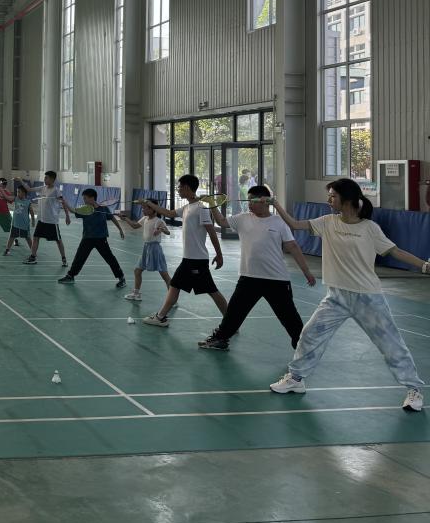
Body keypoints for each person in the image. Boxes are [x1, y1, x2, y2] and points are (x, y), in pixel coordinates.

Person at [268, 178, 430, 412]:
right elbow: (294, 224)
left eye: (333, 195)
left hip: (367, 297)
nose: (329, 199)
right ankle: (296, 378)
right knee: (310, 334)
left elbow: (395, 251)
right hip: (336, 297)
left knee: (391, 344)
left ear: (348, 199)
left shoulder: (369, 228)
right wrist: (275, 203)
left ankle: (414, 390)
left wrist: (424, 265)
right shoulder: (327, 222)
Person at [198, 185, 315, 350]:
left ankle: (303, 346)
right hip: (249, 277)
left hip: (276, 279)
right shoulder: (242, 218)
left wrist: (307, 272)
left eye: (252, 201)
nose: (249, 204)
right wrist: (213, 205)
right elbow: (222, 222)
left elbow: (293, 247)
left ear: (264, 201)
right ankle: (220, 339)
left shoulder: (279, 222)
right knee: (234, 312)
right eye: (248, 201)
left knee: (289, 317)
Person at [141, 174, 228, 327]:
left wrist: (219, 254)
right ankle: (161, 317)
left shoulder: (201, 208)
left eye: (180, 187)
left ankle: (231, 322)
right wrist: (149, 203)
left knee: (212, 291)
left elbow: (211, 231)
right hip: (188, 259)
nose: (178, 189)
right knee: (174, 286)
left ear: (187, 187)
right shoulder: (187, 207)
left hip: (197, 259)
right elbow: (169, 213)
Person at [58, 189, 126, 286]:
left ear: (92, 198)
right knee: (79, 257)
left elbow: (112, 218)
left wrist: (120, 229)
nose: (84, 200)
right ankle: (70, 276)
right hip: (87, 238)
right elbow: (73, 211)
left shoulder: (103, 208)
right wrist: (65, 202)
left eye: (85, 198)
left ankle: (121, 278)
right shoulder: (84, 209)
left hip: (101, 238)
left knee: (110, 258)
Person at [118, 201, 172, 302]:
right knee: (137, 271)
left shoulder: (159, 221)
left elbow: (168, 232)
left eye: (145, 208)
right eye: (143, 208)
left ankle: (172, 298)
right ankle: (136, 294)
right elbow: (134, 225)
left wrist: (161, 230)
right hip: (146, 248)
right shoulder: (145, 218)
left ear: (153, 209)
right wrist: (125, 219)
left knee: (164, 274)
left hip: (155, 249)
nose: (143, 210)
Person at [21, 171, 71, 266]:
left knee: (58, 240)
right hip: (42, 220)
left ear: (52, 179)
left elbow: (63, 202)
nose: (44, 179)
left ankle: (64, 259)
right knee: (36, 237)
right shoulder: (42, 188)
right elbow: (29, 189)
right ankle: (33, 257)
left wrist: (67, 216)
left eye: (46, 178)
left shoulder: (56, 191)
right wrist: (20, 180)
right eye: (44, 177)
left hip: (51, 221)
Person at [4, 183, 36, 256]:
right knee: (12, 237)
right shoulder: (16, 199)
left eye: (19, 192)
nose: (17, 193)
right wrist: (2, 190)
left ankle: (33, 252)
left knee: (28, 238)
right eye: (17, 192)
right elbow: (7, 197)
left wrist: (33, 221)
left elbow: (32, 212)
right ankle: (7, 250)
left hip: (24, 224)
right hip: (15, 223)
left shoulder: (28, 202)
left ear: (24, 193)